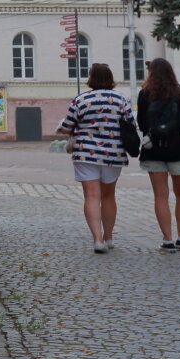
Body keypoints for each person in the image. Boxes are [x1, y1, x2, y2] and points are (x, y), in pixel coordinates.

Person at [57, 63, 133, 254]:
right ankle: (109, 237)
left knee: (91, 195)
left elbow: (66, 127)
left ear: (90, 78)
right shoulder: (120, 100)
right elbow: (130, 123)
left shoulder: (81, 99)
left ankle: (97, 240)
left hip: (85, 153)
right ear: (110, 78)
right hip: (113, 153)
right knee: (108, 196)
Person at [136, 57, 180, 251]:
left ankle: (167, 239)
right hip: (179, 149)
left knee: (160, 196)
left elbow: (142, 124)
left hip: (153, 150)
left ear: (152, 73)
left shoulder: (144, 94)